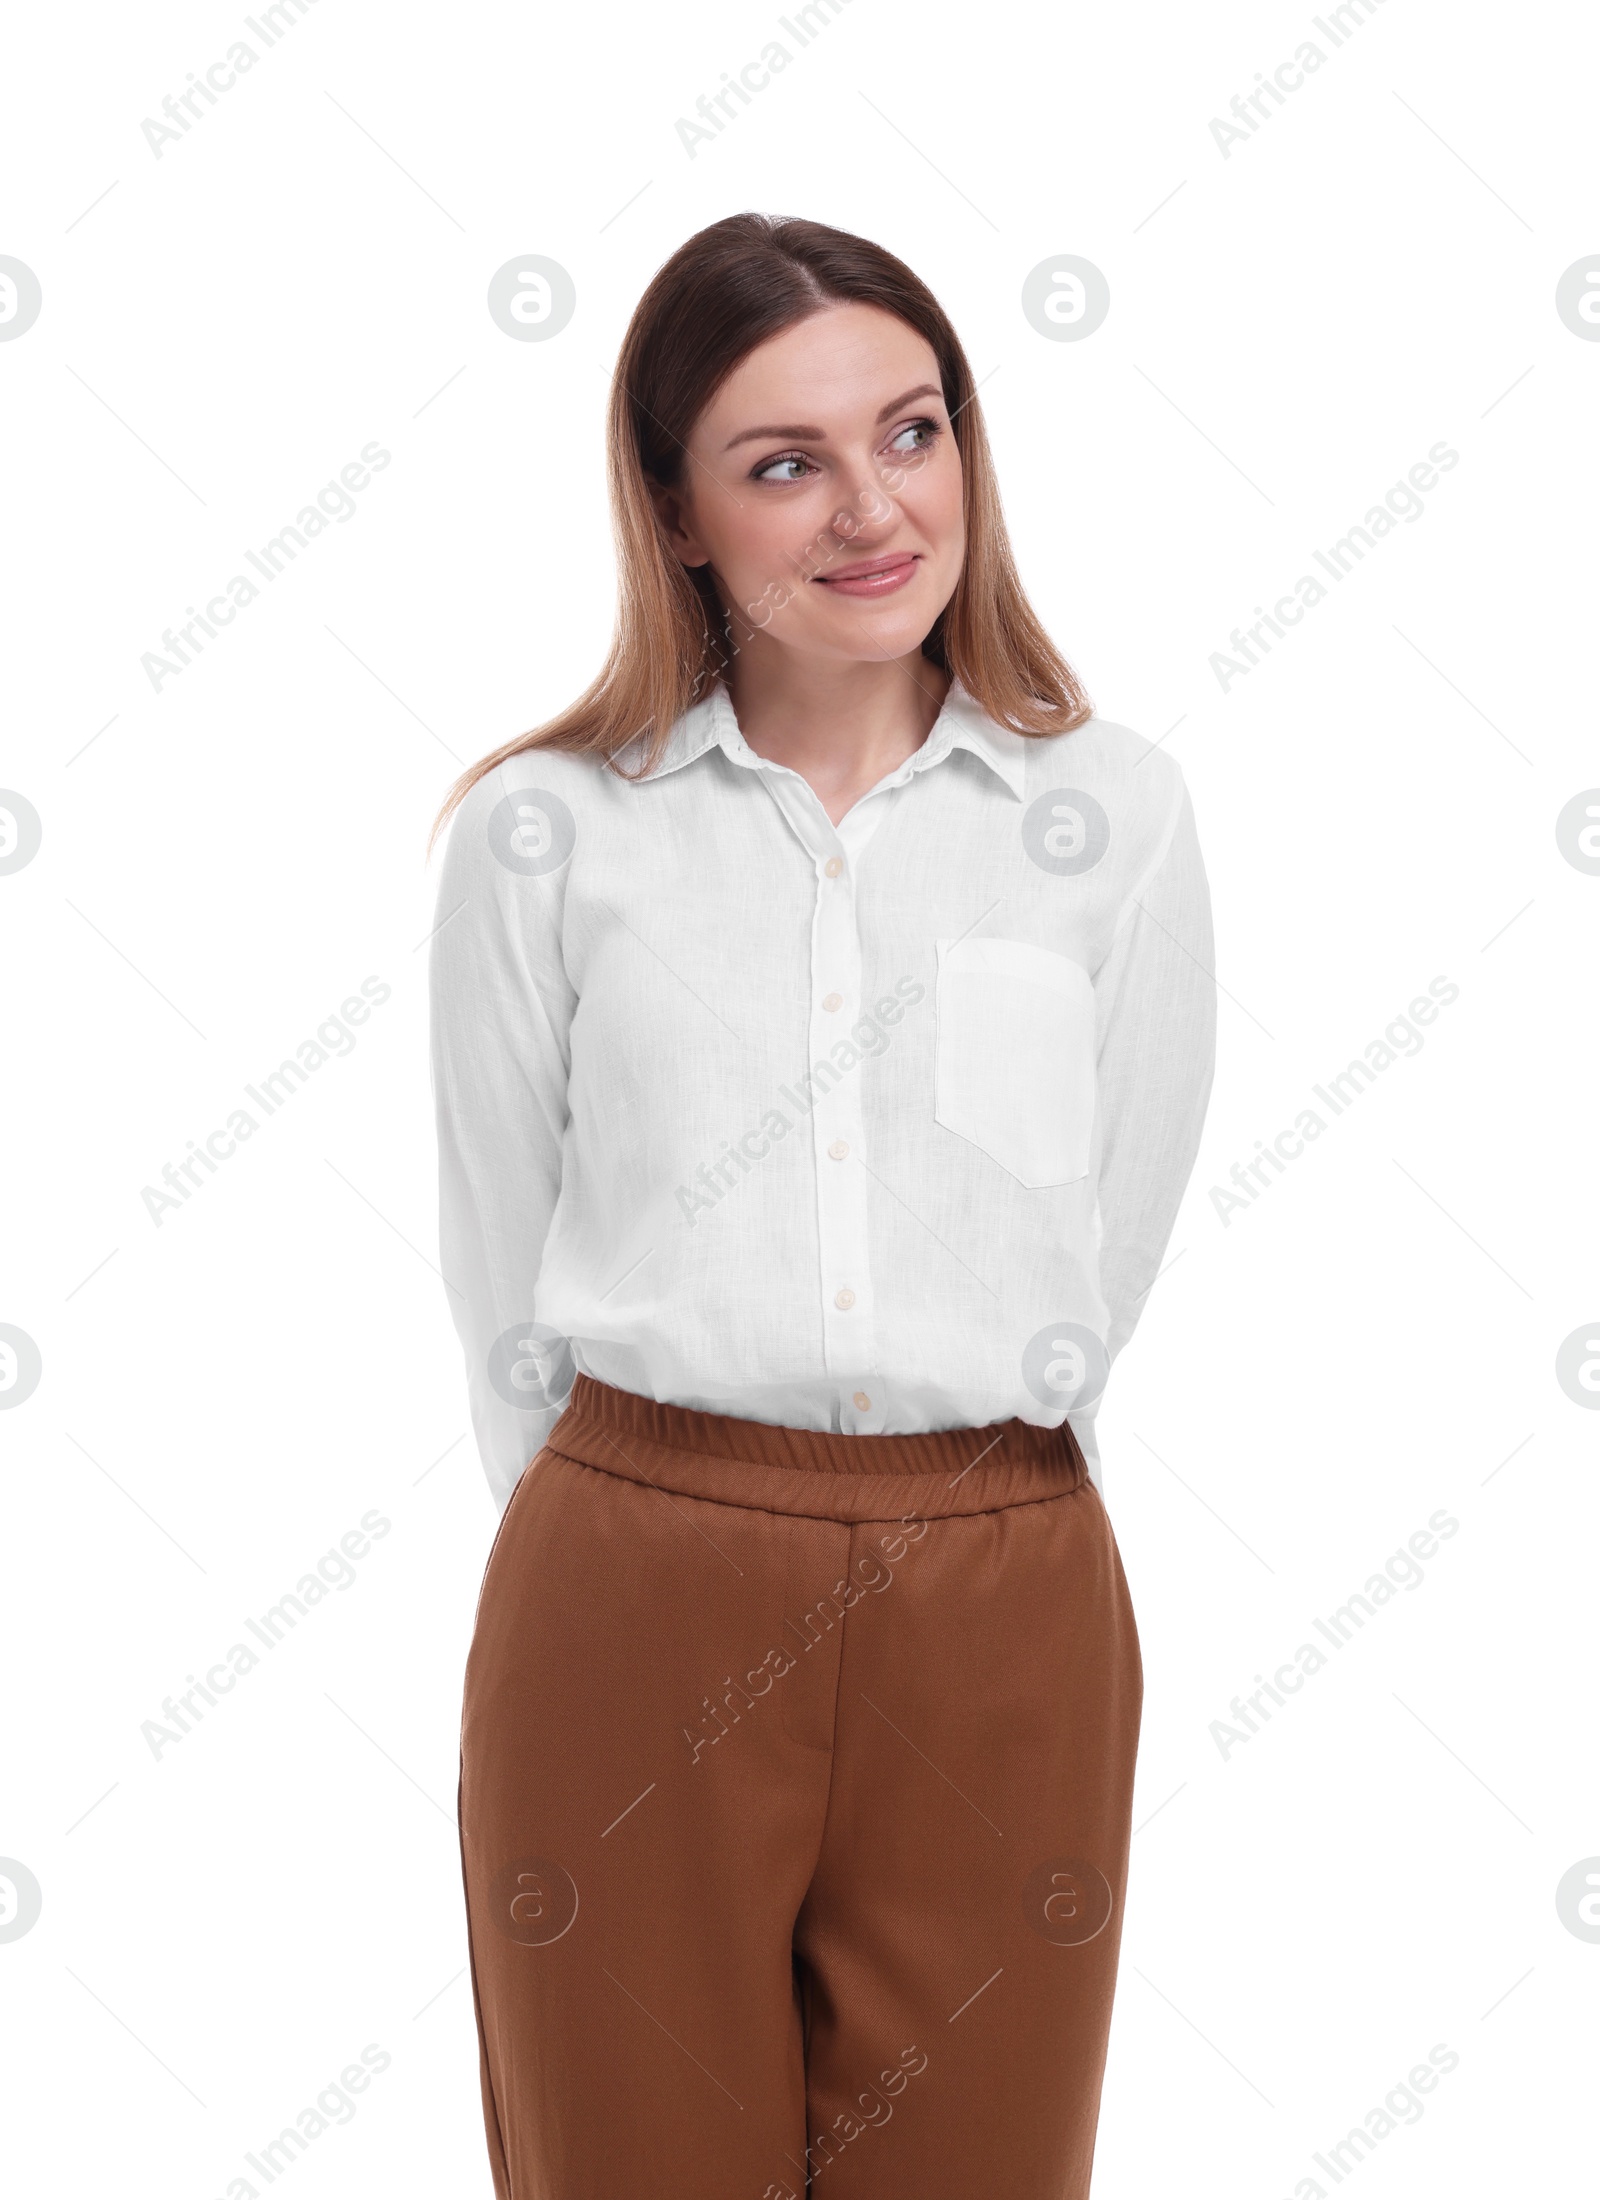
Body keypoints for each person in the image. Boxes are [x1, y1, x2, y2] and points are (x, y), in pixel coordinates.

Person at [427, 210, 1215, 2199]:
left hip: (1002, 1578)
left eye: (914, 430)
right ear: (676, 513)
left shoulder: (1105, 814)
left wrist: (977, 1484)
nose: (873, 508)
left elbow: (1107, 1230)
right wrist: (635, 1539)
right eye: (782, 461)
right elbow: (494, 1250)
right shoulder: (548, 833)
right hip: (630, 1577)